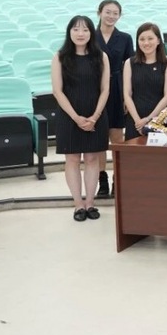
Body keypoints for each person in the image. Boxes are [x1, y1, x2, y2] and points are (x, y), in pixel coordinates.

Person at [52, 15, 110, 222]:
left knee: (93, 158)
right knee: (72, 159)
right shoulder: (60, 57)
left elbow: (105, 89)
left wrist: (94, 117)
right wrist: (76, 118)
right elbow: (57, 91)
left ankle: (90, 203)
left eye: (85, 30)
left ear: (91, 33)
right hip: (69, 115)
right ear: (69, 32)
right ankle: (78, 205)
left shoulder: (101, 57)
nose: (80, 33)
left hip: (96, 114)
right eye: (76, 29)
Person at [94, 0, 133, 198]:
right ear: (99, 12)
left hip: (117, 88)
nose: (111, 16)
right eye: (107, 12)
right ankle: (101, 180)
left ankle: (118, 179)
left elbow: (129, 68)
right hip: (95, 89)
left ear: (120, 15)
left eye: (115, 13)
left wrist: (127, 96)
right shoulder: (90, 36)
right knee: (99, 139)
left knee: (117, 138)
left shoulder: (125, 38)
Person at [123, 23, 167, 141]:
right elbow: (127, 94)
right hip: (135, 118)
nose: (146, 43)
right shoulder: (130, 63)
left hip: (159, 117)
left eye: (150, 38)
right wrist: (137, 121)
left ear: (158, 41)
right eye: (142, 39)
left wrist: (149, 119)